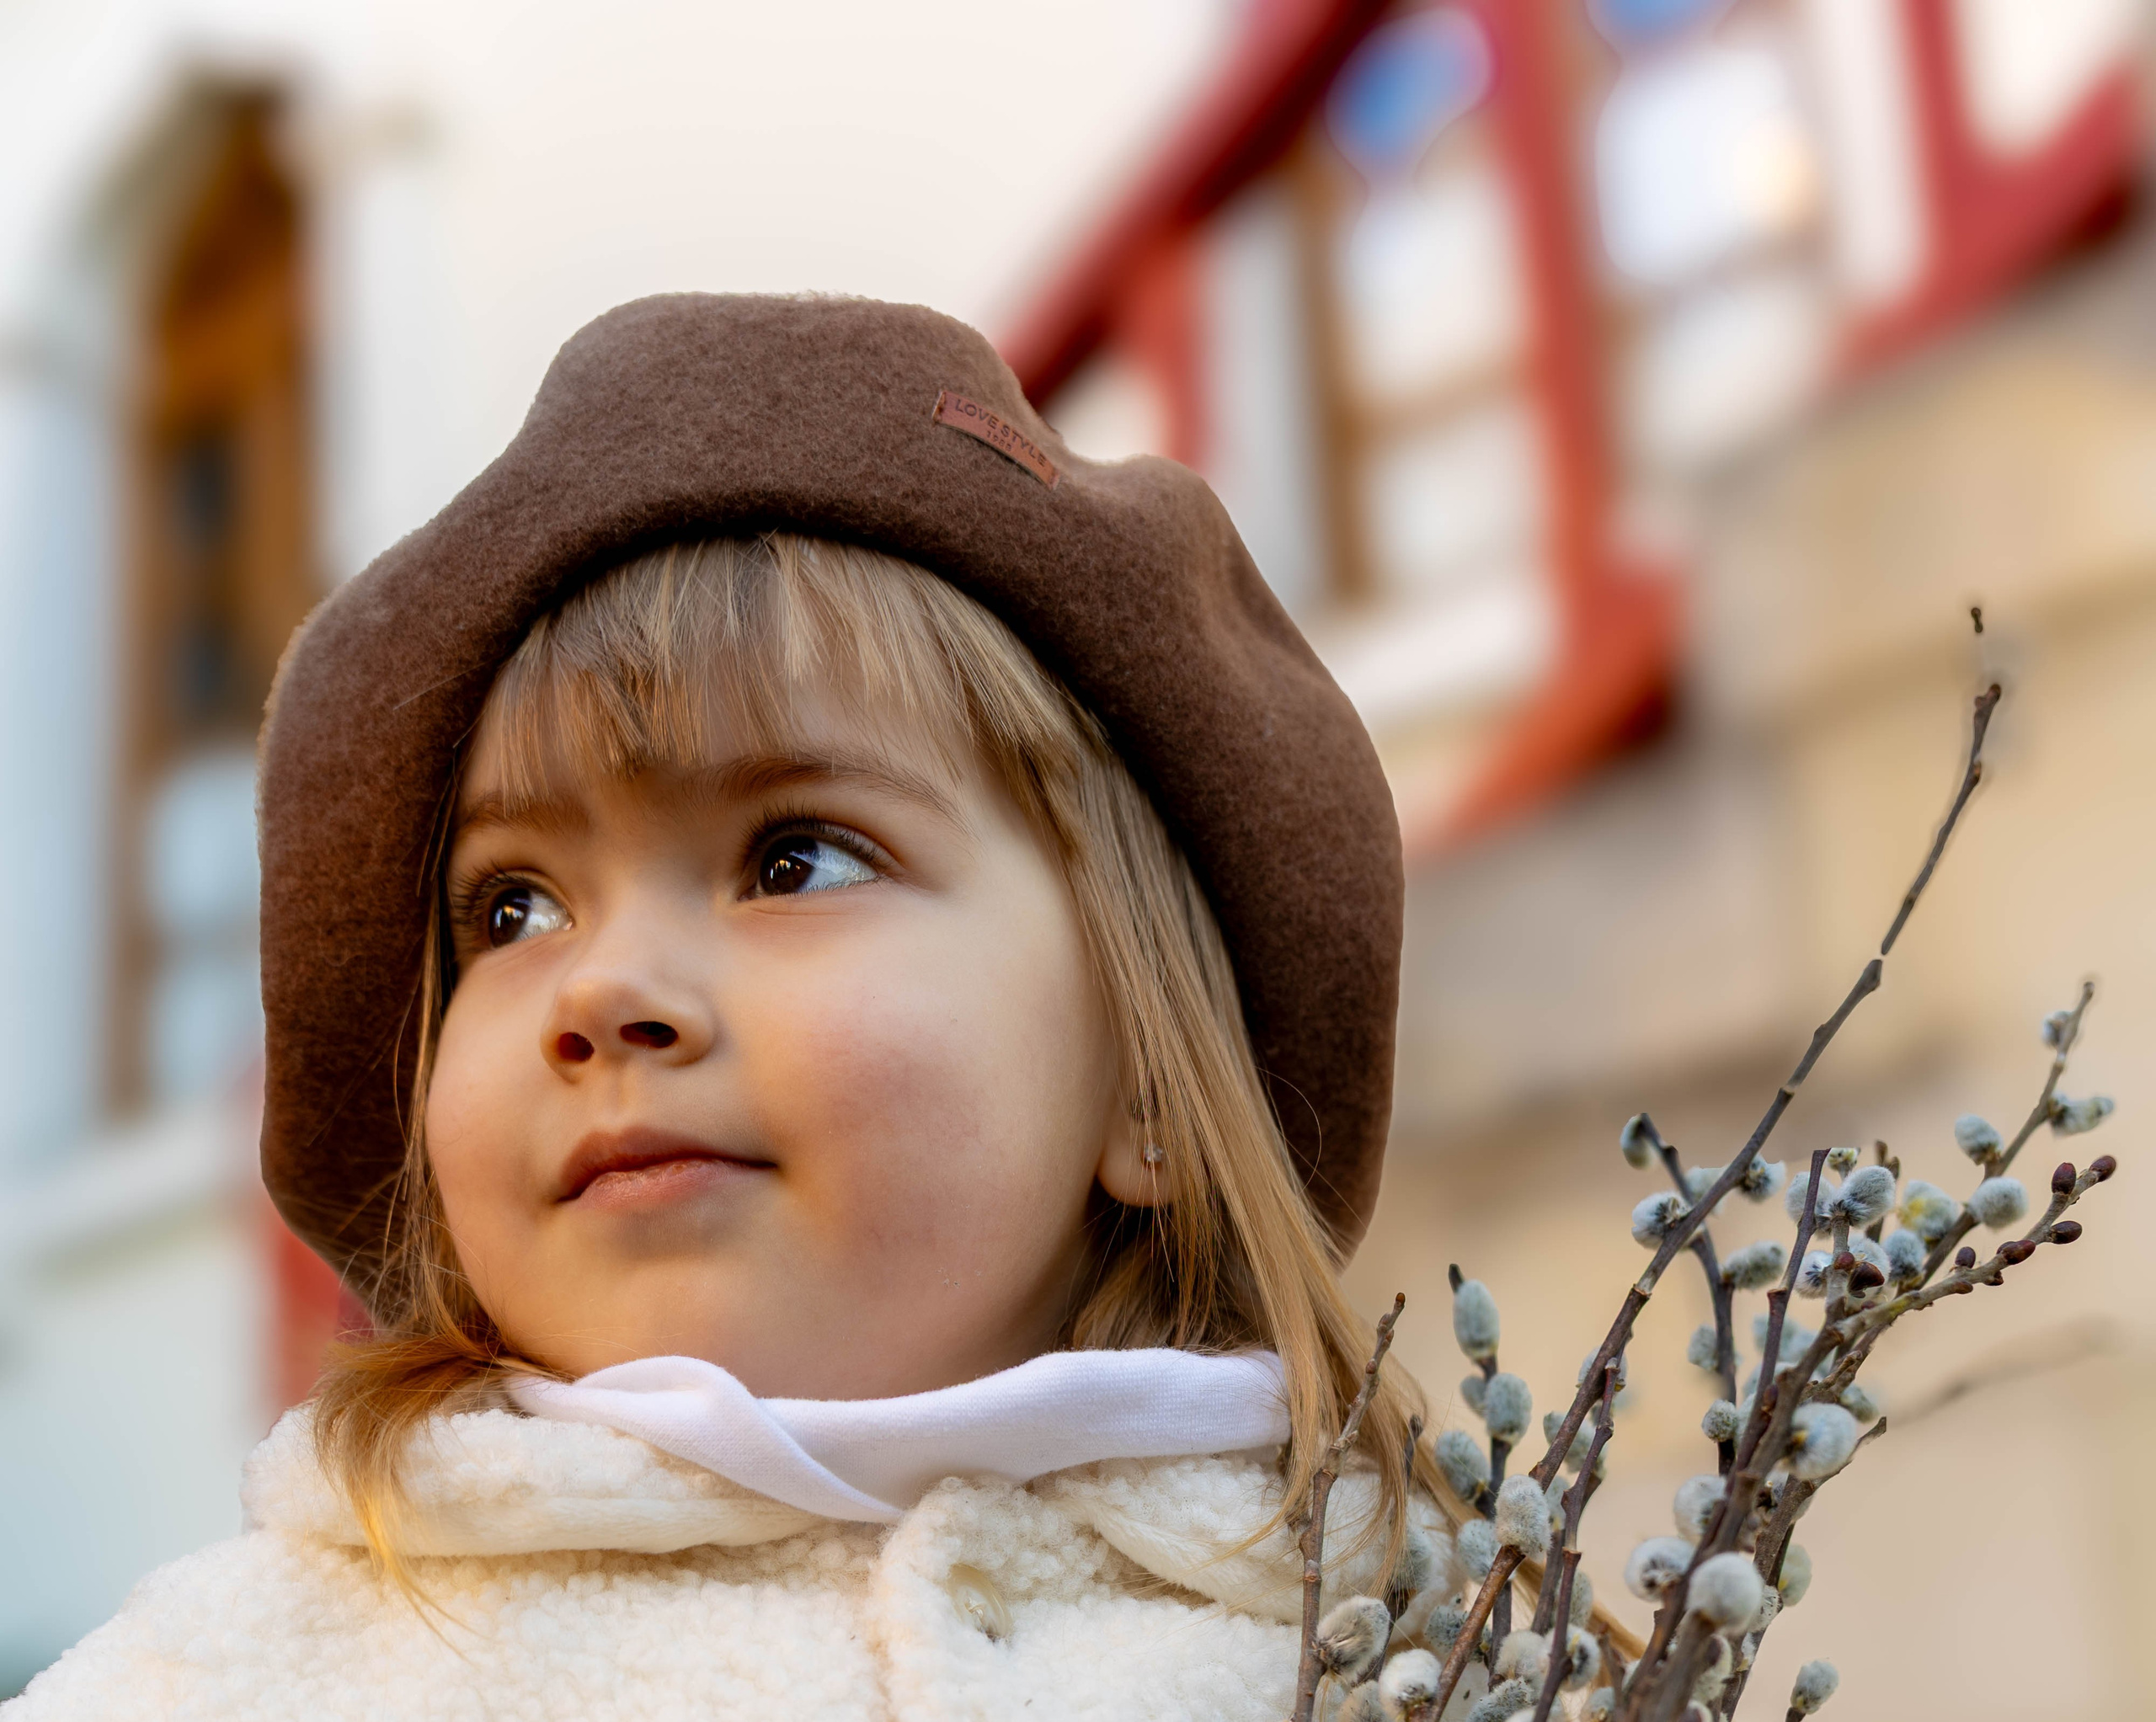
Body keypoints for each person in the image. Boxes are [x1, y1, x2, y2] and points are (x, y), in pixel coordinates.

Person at [8, 295, 1454, 1720]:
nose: (602, 989)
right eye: (511, 908)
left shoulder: (1425, 1653)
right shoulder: (224, 1681)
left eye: (793, 858)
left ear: (1145, 1078)